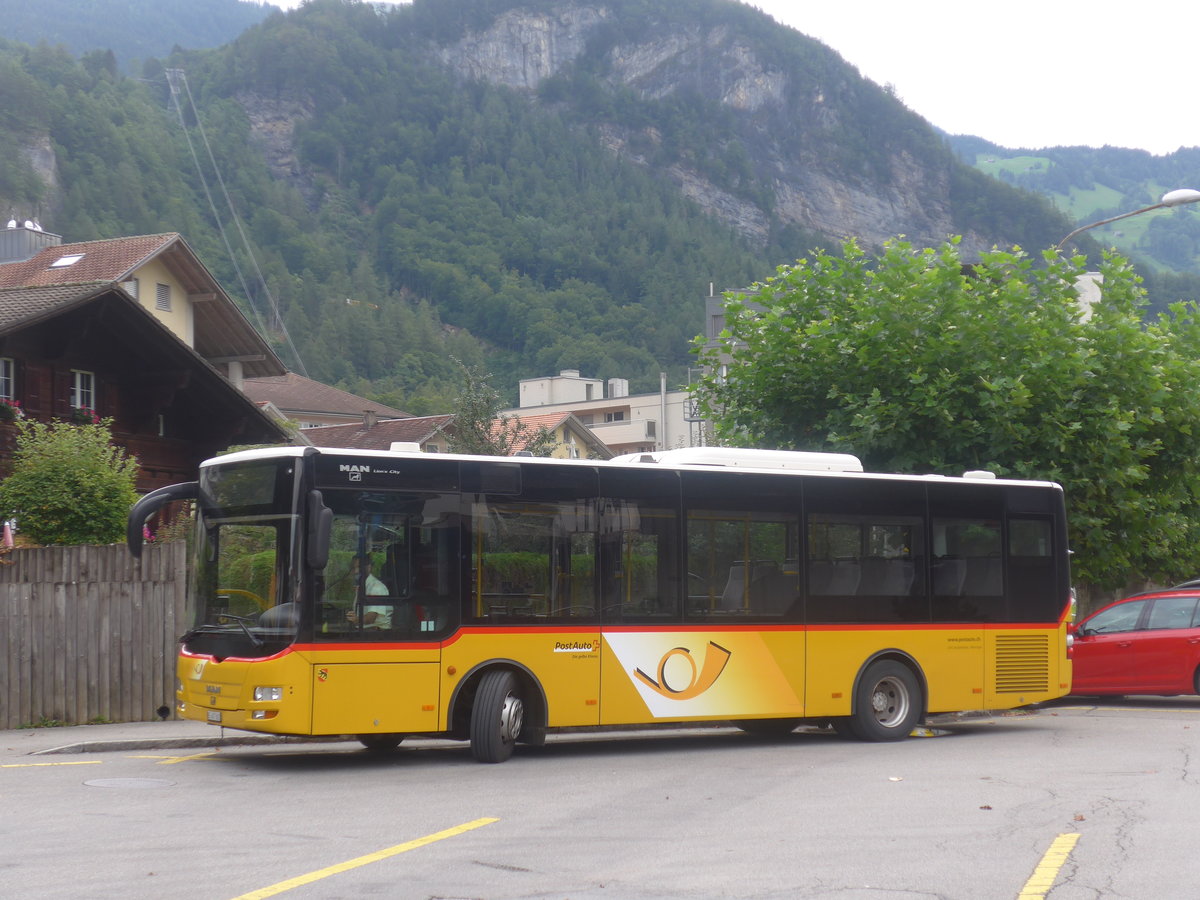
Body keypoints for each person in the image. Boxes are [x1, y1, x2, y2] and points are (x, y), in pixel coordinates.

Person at [346, 556, 391, 628]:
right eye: (353, 568)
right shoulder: (362, 586)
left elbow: (370, 618)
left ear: (368, 567)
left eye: (359, 567)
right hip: (363, 629)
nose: (356, 571)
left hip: (376, 632)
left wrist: (355, 620)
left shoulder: (376, 588)